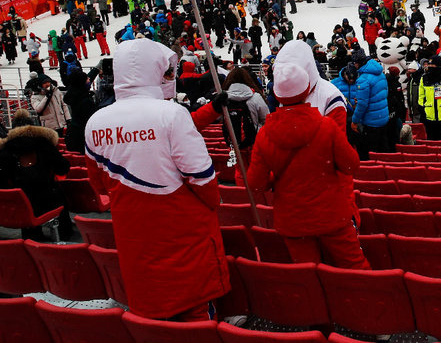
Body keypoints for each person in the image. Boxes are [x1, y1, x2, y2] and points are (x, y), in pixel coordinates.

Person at [84, 39, 229, 320]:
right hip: (184, 236)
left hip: (134, 239)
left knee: (154, 315)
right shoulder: (170, 114)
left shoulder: (96, 122)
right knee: (195, 314)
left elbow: (99, 185)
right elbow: (203, 181)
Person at [247, 61, 368, 267]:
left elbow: (256, 183)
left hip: (293, 220)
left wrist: (279, 178)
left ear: (276, 95)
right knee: (357, 271)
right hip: (332, 216)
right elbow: (351, 165)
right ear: (306, 90)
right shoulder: (326, 126)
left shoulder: (266, 133)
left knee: (308, 279)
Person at [0, 108, 73, 240]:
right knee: (57, 194)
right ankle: (64, 233)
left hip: (21, 201)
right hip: (49, 197)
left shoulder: (6, 149)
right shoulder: (43, 144)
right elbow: (63, 167)